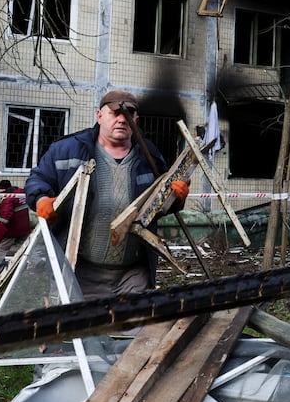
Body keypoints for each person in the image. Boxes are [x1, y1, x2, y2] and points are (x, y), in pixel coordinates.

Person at [25, 90, 189, 299]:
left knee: (134, 331)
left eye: (128, 114)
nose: (122, 119)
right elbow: (38, 179)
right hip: (79, 273)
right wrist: (41, 199)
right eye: (115, 113)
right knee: (79, 330)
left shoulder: (150, 156)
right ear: (99, 116)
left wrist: (175, 200)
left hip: (133, 275)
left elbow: (155, 209)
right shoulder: (67, 149)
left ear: (136, 121)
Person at [0, 179, 32, 271]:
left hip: (13, 229)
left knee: (2, 248)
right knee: (25, 246)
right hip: (24, 226)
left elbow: (6, 217)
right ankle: (37, 261)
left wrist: (0, 227)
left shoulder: (8, 199)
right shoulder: (20, 194)